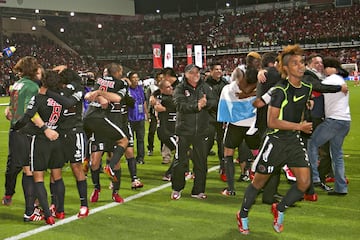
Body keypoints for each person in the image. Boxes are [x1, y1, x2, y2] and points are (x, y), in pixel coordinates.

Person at [237, 45, 313, 234]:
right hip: (275, 142)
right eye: (295, 63)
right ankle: (243, 214)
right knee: (259, 183)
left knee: (304, 183)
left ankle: (279, 209)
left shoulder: (306, 86)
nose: (301, 66)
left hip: (294, 142)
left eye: (302, 62)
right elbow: (272, 122)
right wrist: (299, 126)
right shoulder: (279, 90)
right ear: (286, 68)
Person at [2, 57, 53, 222]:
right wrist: (45, 129)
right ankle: (30, 211)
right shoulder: (32, 86)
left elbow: (13, 106)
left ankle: (30, 206)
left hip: (15, 130)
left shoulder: (18, 84)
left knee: (23, 167)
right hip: (26, 131)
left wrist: (9, 111)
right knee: (30, 170)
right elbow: (31, 112)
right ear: (33, 70)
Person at [13, 70, 67, 225]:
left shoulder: (39, 98)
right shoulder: (61, 99)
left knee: (38, 178)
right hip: (57, 140)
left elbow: (27, 115)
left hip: (41, 141)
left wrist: (17, 126)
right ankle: (60, 211)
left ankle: (48, 215)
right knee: (57, 176)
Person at [44, 66, 89, 218]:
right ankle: (54, 203)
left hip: (74, 132)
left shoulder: (73, 90)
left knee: (77, 167)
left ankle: (84, 205)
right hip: (58, 134)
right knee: (54, 170)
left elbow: (68, 101)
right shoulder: (69, 88)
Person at [84, 63, 129, 203]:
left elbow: (91, 95)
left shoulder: (100, 81)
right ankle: (99, 188)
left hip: (111, 122)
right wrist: (100, 95)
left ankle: (113, 192)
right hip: (103, 122)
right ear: (119, 72)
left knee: (103, 160)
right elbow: (116, 98)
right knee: (97, 160)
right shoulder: (120, 83)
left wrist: (99, 93)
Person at [170, 64, 216, 200]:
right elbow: (179, 105)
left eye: (197, 72)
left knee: (201, 162)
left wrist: (206, 104)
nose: (195, 74)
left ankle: (198, 190)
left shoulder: (205, 86)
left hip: (202, 131)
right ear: (186, 74)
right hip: (184, 131)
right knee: (180, 162)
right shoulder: (180, 88)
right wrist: (196, 106)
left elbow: (215, 101)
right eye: (192, 72)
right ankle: (177, 188)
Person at [307, 57, 351, 196]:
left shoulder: (329, 80)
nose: (323, 69)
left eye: (324, 66)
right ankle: (341, 187)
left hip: (334, 121)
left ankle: (314, 177)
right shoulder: (340, 79)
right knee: (337, 154)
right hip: (345, 121)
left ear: (329, 68)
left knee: (313, 143)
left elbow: (317, 87)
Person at [217, 67, 259, 196]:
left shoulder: (227, 89)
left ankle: (230, 189)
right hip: (252, 125)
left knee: (228, 155)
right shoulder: (256, 88)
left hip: (235, 126)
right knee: (259, 155)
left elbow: (223, 108)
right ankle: (260, 185)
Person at [205, 62, 228, 181]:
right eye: (216, 69)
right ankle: (198, 168)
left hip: (222, 118)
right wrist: (214, 103)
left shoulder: (225, 83)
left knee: (222, 145)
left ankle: (223, 169)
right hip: (209, 118)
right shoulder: (205, 84)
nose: (219, 71)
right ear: (211, 71)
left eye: (220, 69)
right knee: (206, 145)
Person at [154, 80, 177, 181]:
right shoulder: (166, 100)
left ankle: (183, 170)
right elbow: (178, 105)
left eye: (171, 86)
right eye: (168, 87)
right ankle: (169, 174)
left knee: (182, 152)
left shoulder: (164, 99)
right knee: (181, 151)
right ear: (162, 90)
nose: (171, 88)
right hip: (166, 131)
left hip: (172, 131)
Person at [128, 71, 148, 164]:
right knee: (129, 141)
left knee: (140, 139)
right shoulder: (126, 90)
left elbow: (144, 102)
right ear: (129, 79)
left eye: (137, 77)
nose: (136, 79)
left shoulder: (140, 89)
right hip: (129, 118)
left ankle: (140, 158)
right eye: (133, 77)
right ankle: (130, 159)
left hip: (140, 118)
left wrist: (146, 114)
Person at [146, 72, 163, 156]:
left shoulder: (165, 87)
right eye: (160, 78)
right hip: (153, 113)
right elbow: (148, 100)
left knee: (163, 132)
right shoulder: (151, 88)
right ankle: (150, 148)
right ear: (156, 78)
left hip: (163, 113)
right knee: (151, 131)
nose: (161, 79)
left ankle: (163, 149)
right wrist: (148, 113)